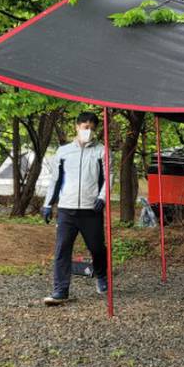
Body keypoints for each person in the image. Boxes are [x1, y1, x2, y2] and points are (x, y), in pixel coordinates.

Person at [41, 112, 110, 305]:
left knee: (97, 248)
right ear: (77, 126)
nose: (88, 131)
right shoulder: (63, 152)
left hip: (91, 209)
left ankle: (101, 275)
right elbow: (55, 179)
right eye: (85, 127)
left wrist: (102, 197)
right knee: (62, 249)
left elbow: (108, 177)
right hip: (67, 208)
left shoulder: (102, 151)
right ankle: (60, 290)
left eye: (92, 128)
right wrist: (48, 204)